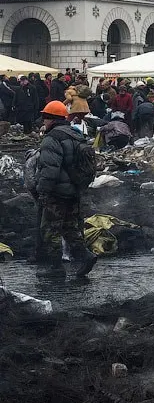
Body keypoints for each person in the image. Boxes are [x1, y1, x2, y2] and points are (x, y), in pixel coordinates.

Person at [35, 101, 98, 276]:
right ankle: (85, 255)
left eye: (45, 117)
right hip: (75, 189)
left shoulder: (52, 138)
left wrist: (43, 190)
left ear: (52, 119)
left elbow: (50, 169)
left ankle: (56, 268)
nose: (43, 121)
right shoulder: (74, 134)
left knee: (50, 229)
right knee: (70, 227)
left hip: (57, 192)